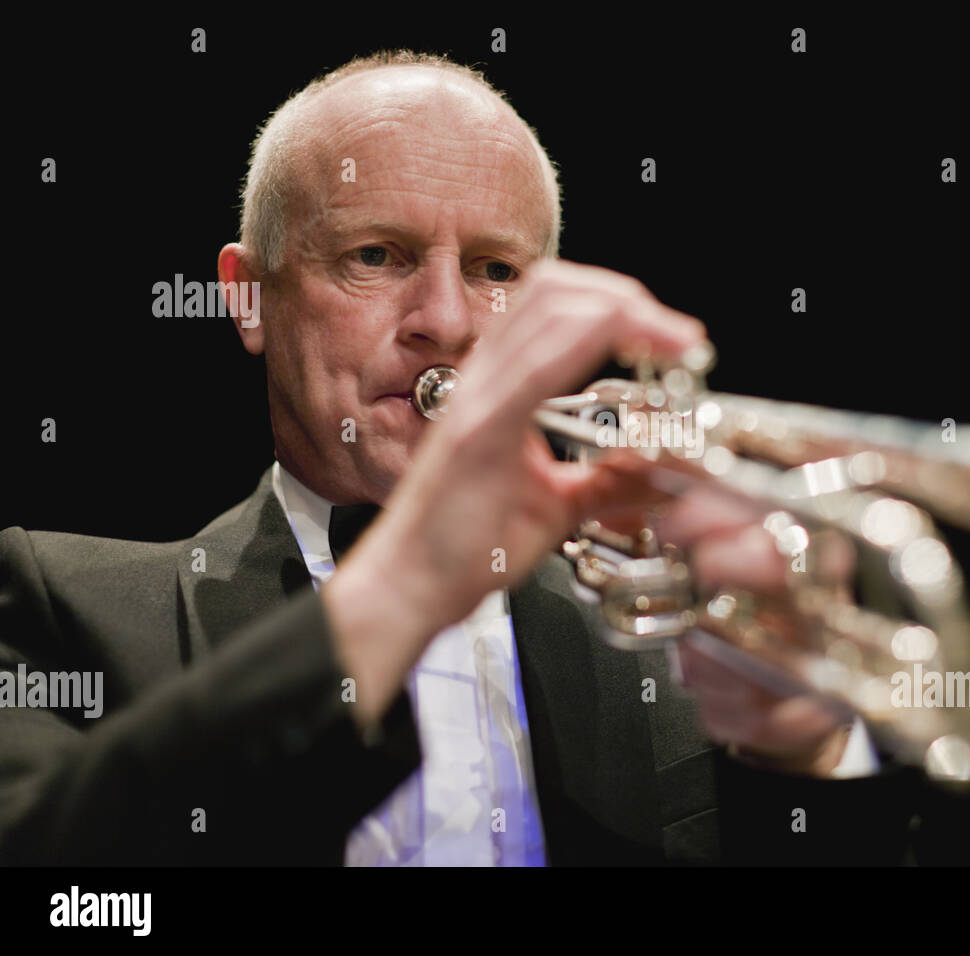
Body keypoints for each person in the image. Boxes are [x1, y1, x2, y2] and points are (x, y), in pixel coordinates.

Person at [0, 51, 918, 866]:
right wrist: (409, 581)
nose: (446, 320)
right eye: (375, 254)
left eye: (496, 271)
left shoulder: (669, 644)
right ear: (247, 299)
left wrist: (808, 752)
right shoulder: (58, 602)